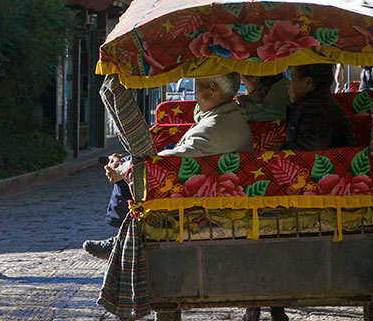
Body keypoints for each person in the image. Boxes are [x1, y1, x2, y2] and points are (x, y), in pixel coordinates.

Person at [83, 72, 252, 258]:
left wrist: (123, 167)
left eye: (197, 88)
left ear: (213, 89)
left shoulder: (214, 127)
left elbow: (168, 162)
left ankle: (123, 238)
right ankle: (121, 236)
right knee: (131, 165)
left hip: (197, 195)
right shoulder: (227, 117)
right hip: (205, 181)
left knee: (137, 170)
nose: (195, 96)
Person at [243, 63, 354, 321]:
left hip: (316, 195)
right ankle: (267, 303)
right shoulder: (315, 107)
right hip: (320, 190)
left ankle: (262, 301)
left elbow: (307, 156)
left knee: (260, 221)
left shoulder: (313, 110)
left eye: (293, 79)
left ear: (309, 83)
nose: (288, 85)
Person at [281, 63, 355, 151]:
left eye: (292, 80)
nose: (288, 85)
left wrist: (283, 148)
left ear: (307, 82)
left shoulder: (311, 109)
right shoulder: (325, 103)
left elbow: (313, 144)